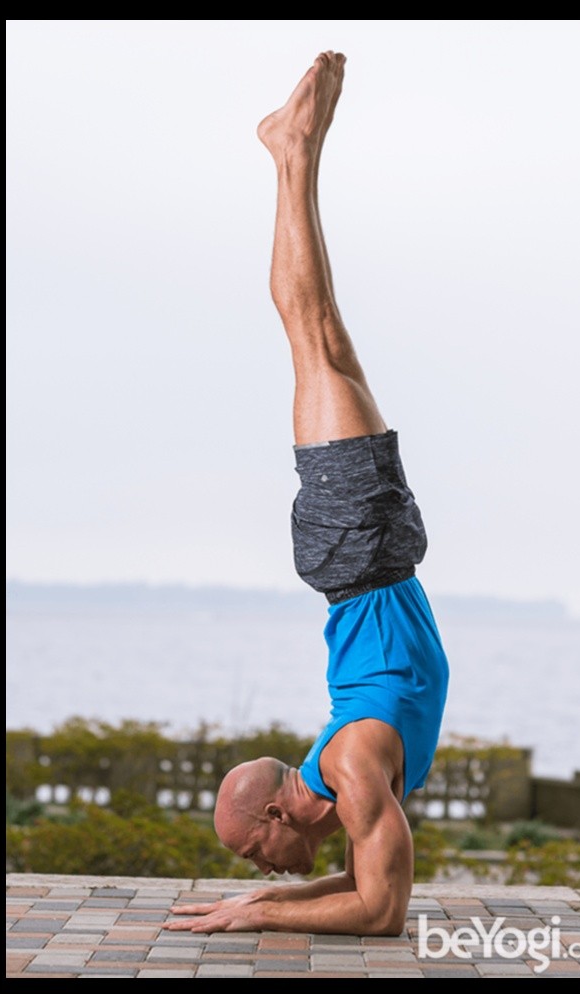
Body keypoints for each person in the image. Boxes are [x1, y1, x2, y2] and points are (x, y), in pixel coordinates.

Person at [165, 51, 449, 936]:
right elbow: (373, 900)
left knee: (311, 330)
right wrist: (269, 900)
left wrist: (261, 918)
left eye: (256, 857)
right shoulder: (346, 774)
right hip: (370, 552)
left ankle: (292, 153)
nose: (264, 866)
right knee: (319, 331)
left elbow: (379, 912)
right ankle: (295, 153)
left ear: (280, 818)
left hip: (356, 552)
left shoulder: (356, 765)